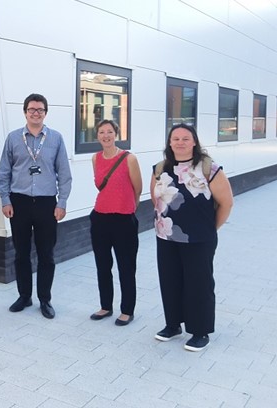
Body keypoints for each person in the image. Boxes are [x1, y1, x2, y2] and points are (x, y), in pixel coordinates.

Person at [151, 123, 233, 352]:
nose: (180, 142)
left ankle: (200, 331)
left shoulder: (209, 169)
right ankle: (173, 324)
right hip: (166, 236)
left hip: (199, 239)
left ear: (194, 141)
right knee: (170, 281)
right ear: (169, 143)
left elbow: (227, 203)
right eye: (175, 138)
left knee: (199, 285)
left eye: (185, 138)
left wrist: (209, 229)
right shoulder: (160, 168)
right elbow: (155, 199)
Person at [0, 93, 72, 319]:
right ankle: (24, 296)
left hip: (47, 203)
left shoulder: (56, 139)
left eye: (40, 110)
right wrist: (5, 199)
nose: (36, 113)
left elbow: (64, 174)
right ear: (25, 112)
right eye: (32, 109)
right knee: (21, 253)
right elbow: (4, 172)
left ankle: (45, 299)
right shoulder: (13, 138)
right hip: (18, 202)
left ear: (45, 113)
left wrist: (62, 202)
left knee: (46, 254)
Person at [89, 119, 142, 326]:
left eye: (109, 132)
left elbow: (137, 188)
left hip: (123, 219)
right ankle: (105, 306)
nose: (106, 136)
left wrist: (127, 207)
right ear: (97, 136)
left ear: (116, 134)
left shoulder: (129, 158)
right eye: (101, 132)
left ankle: (127, 310)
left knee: (126, 266)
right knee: (103, 265)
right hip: (100, 217)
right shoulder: (95, 158)